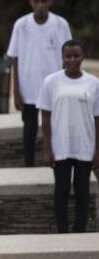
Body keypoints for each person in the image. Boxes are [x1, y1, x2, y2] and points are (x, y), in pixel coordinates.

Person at [37, 40, 98, 233]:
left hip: (85, 146)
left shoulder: (94, 83)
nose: (72, 60)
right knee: (61, 190)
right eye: (68, 56)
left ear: (83, 57)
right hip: (60, 146)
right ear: (62, 58)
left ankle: (79, 229)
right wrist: (47, 148)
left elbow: (97, 118)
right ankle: (62, 231)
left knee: (82, 191)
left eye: (76, 56)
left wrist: (97, 149)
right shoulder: (51, 82)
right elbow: (45, 116)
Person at [7, 0, 72, 167]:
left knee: (55, 127)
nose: (40, 5)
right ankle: (29, 165)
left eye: (44, 1)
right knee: (30, 129)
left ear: (50, 1)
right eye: (37, 1)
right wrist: (16, 90)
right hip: (29, 88)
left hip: (56, 88)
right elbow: (15, 58)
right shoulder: (22, 25)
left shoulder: (60, 24)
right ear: (31, 2)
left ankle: (57, 161)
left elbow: (69, 56)